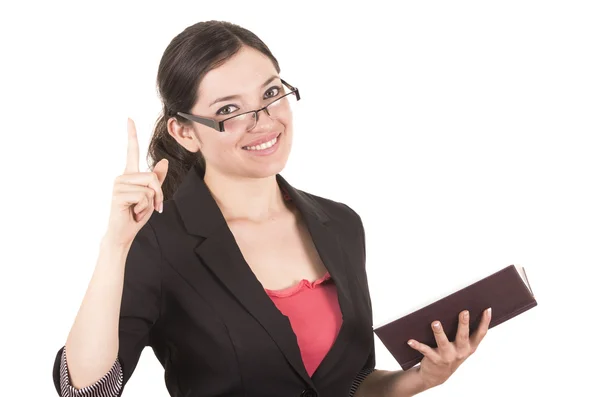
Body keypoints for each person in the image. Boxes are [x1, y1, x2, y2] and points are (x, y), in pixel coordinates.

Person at [51, 20, 492, 397]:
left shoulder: (340, 224)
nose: (262, 119)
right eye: (229, 109)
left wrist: (420, 377)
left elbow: (348, 382)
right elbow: (86, 389)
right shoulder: (159, 240)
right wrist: (115, 244)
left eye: (272, 92)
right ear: (185, 133)